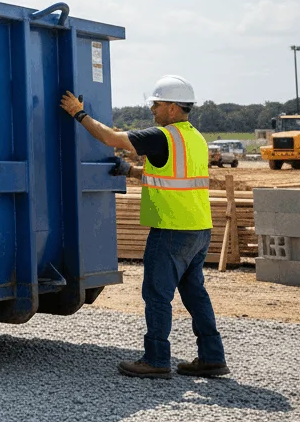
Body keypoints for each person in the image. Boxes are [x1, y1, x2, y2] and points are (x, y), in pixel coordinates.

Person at [60, 75, 228, 379]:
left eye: (157, 104)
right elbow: (170, 175)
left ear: (174, 108)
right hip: (199, 228)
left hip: (172, 229)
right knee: (195, 294)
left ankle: (156, 360)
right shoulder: (196, 139)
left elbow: (111, 138)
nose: (153, 109)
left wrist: (78, 113)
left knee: (156, 293)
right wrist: (131, 170)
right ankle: (212, 356)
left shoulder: (163, 136)